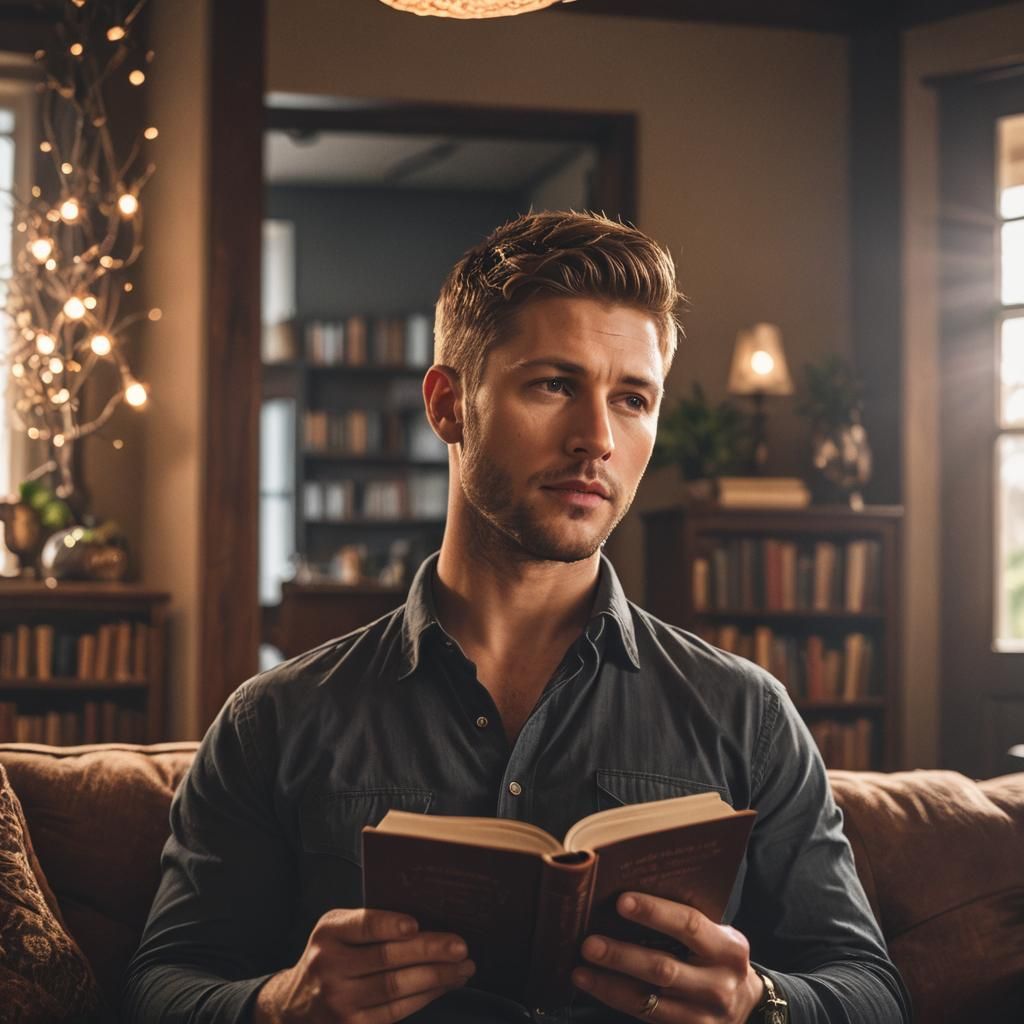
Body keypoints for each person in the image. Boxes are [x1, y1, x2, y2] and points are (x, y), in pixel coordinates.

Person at [123, 211, 910, 1024]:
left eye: (632, 398)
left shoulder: (745, 714)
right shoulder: (277, 720)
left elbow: (872, 988)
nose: (596, 438)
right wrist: (278, 1006)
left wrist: (761, 1003)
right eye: (554, 385)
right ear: (448, 405)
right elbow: (160, 987)